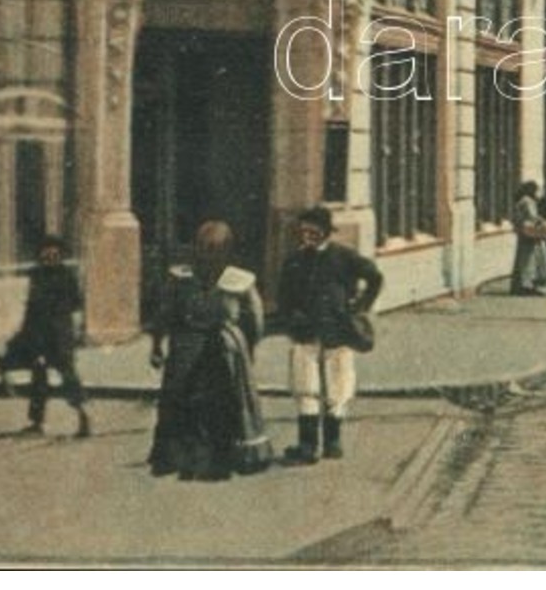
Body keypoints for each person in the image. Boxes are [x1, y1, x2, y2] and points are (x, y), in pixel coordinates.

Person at [147, 220, 273, 480]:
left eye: (214, 249)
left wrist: (245, 349)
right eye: (204, 248)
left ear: (227, 250)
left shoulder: (239, 281)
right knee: (177, 403)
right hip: (185, 348)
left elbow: (255, 321)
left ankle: (210, 462)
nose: (208, 254)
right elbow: (164, 315)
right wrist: (157, 345)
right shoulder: (180, 278)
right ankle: (178, 459)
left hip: (218, 350)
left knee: (213, 407)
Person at [277, 206, 384, 464]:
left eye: (313, 232)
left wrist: (360, 305)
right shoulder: (293, 261)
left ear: (326, 232)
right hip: (306, 334)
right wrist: (291, 317)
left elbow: (374, 277)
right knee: (305, 387)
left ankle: (333, 442)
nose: (307, 237)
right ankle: (307, 445)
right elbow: (284, 297)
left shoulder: (343, 257)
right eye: (303, 232)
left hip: (338, 330)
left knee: (338, 386)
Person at [9, 237, 90, 439]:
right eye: (45, 255)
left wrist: (75, 329)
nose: (49, 259)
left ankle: (82, 416)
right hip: (39, 333)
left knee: (68, 376)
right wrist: (26, 332)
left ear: (60, 256)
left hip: (60, 333)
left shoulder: (66, 276)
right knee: (38, 378)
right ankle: (36, 422)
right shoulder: (36, 275)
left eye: (54, 255)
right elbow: (31, 306)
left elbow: (76, 304)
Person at [510, 181, 546, 296]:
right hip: (530, 234)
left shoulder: (522, 200)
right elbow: (532, 216)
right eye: (536, 190)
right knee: (529, 260)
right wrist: (543, 222)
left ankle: (521, 285)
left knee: (523, 259)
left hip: (524, 233)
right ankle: (527, 285)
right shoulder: (528, 201)